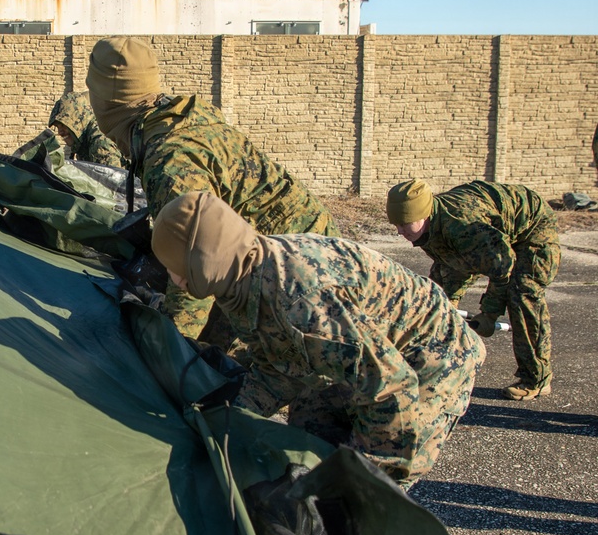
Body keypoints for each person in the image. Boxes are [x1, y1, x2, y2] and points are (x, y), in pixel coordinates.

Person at [151, 191, 485, 487]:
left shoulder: (299, 300)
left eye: (173, 264)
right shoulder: (241, 277)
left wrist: (366, 479)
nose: (171, 276)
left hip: (431, 355)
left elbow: (391, 390)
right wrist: (223, 420)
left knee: (358, 496)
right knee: (310, 435)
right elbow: (281, 366)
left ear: (202, 261)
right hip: (365, 348)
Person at [85, 35, 336, 339]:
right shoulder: (179, 119)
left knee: (227, 360)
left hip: (299, 269)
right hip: (293, 249)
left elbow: (196, 264)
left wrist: (172, 347)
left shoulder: (170, 161)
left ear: (105, 102)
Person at [386, 178, 560, 402]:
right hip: (491, 237)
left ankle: (536, 379)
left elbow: (502, 268)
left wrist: (489, 314)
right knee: (436, 303)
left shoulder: (462, 227)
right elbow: (454, 267)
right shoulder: (430, 227)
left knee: (523, 294)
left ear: (423, 214)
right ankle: (429, 366)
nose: (400, 231)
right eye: (396, 225)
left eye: (405, 223)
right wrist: (446, 307)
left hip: (532, 228)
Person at [47, 92, 121, 168]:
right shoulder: (82, 140)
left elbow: (110, 178)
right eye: (57, 127)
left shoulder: (100, 142)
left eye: (63, 125)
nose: (60, 132)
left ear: (78, 120)